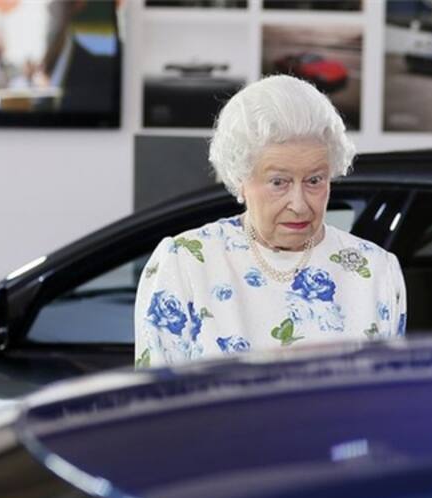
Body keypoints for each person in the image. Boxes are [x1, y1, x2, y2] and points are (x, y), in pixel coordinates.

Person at [134, 75, 406, 367]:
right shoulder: (186, 263)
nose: (299, 205)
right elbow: (157, 400)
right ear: (240, 178)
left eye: (314, 180)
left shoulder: (375, 271)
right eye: (279, 182)